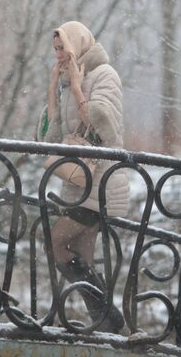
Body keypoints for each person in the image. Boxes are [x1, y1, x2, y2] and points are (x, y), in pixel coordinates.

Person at [36, 20, 129, 333]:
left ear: (78, 44)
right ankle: (104, 324)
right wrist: (54, 89)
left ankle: (109, 318)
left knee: (54, 242)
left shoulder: (105, 75)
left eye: (64, 47)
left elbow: (106, 130)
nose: (60, 54)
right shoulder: (66, 81)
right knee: (82, 256)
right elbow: (53, 140)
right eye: (56, 49)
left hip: (101, 185)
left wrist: (77, 88)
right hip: (78, 185)